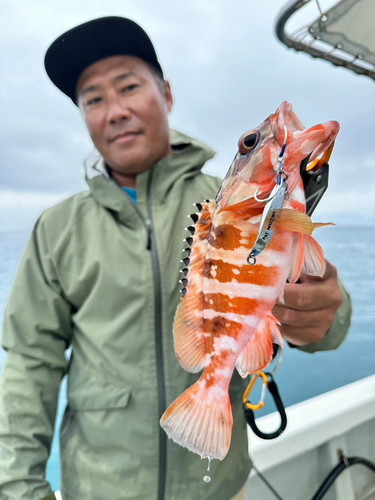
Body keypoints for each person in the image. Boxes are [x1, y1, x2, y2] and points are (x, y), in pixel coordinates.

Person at [0, 16, 351, 500]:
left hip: (220, 487)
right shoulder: (57, 229)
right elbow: (28, 364)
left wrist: (323, 313)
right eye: (93, 99)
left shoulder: (226, 202)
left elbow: (322, 318)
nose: (115, 110)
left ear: (165, 94)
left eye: (127, 86)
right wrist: (18, 489)